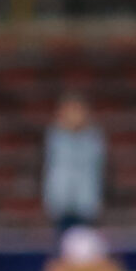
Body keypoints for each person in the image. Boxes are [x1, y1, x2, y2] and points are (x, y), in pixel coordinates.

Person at [43, 88, 106, 236]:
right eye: (70, 110)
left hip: (87, 204)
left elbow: (100, 170)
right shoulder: (52, 137)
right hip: (59, 203)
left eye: (77, 110)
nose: (74, 115)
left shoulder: (94, 138)